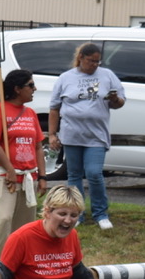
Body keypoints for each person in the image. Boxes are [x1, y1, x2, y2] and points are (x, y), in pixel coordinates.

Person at [48, 43, 125, 230]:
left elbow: (120, 103)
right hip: (71, 134)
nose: (95, 65)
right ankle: (76, 214)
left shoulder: (107, 76)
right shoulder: (66, 78)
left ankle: (100, 213)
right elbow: (54, 108)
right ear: (81, 57)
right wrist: (52, 134)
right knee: (74, 175)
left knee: (93, 173)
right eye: (91, 61)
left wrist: (114, 99)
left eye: (98, 62)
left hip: (96, 135)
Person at [0, 68, 46, 269]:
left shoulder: (30, 113)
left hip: (28, 177)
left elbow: (38, 146)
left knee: (24, 227)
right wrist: (9, 169)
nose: (34, 89)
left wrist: (42, 176)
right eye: (31, 85)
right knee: (4, 218)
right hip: (2, 176)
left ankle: (19, 266)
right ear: (17, 89)